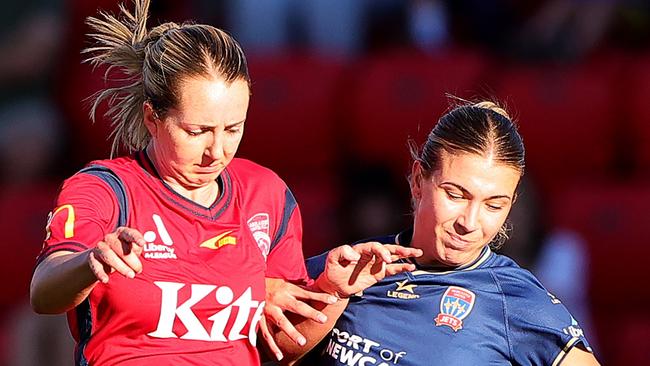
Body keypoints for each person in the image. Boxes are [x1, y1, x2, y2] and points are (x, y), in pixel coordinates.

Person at [28, 1, 423, 364]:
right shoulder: (107, 188)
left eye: (233, 129)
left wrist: (334, 292)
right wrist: (89, 261)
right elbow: (44, 293)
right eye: (197, 131)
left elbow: (280, 349)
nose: (217, 150)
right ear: (152, 118)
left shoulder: (264, 194)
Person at [275, 100, 601, 365]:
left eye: (494, 205)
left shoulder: (515, 299)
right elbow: (269, 356)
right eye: (456, 195)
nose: (470, 222)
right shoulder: (348, 270)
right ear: (418, 181)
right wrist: (331, 294)